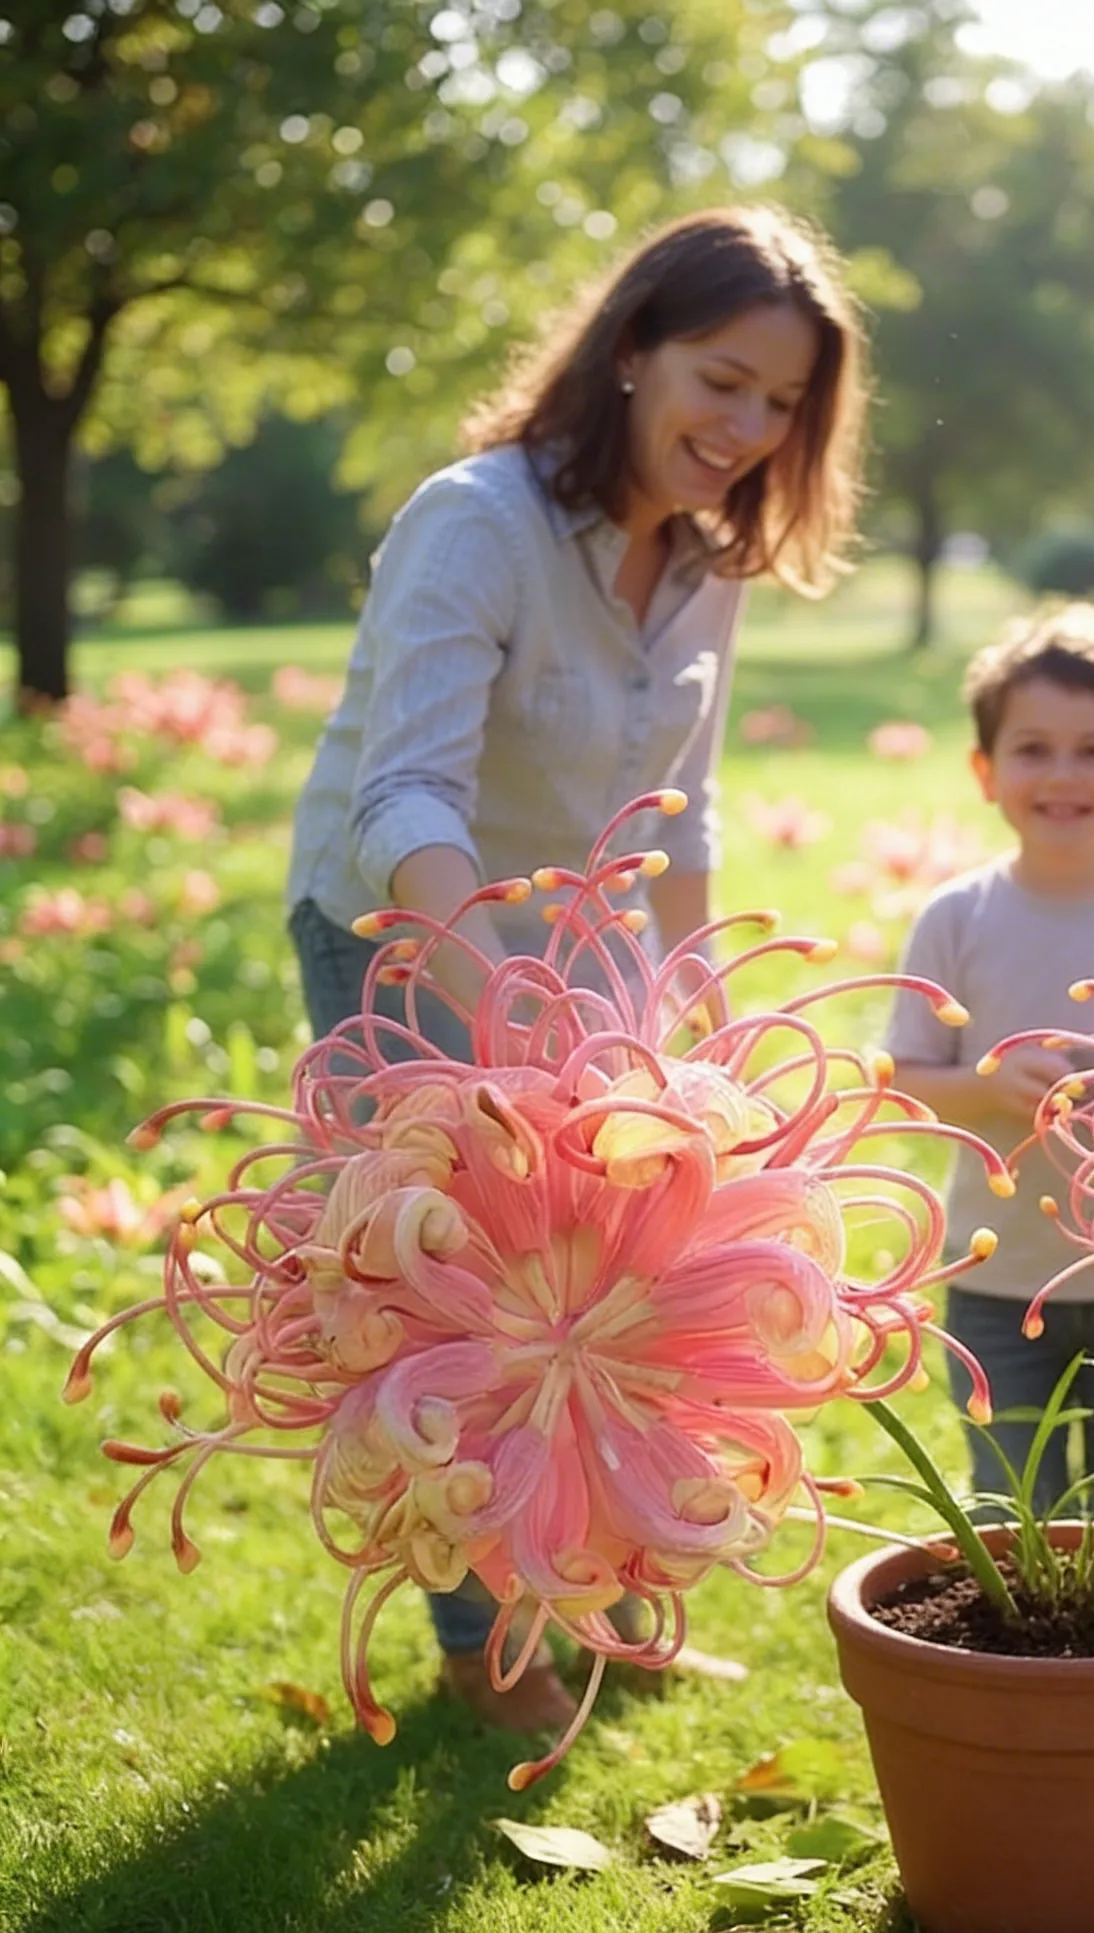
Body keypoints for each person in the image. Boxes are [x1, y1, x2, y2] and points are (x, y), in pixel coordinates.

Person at [285, 204, 869, 1732]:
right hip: (406, 932)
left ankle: (604, 1601)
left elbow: (683, 814)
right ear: (630, 352)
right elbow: (402, 798)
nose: (747, 427)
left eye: (781, 403)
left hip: (581, 966)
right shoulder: (472, 520)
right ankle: (493, 1658)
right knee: (460, 1306)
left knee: (615, 1294)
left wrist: (707, 1026)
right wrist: (501, 1019)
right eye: (722, 380)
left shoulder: (710, 564)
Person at [882, 607, 1094, 1521]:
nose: (1064, 774)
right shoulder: (955, 919)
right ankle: (1025, 1671)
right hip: (998, 1284)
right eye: (1033, 748)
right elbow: (905, 1081)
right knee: (1012, 1514)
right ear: (985, 771)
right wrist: (990, 1089)